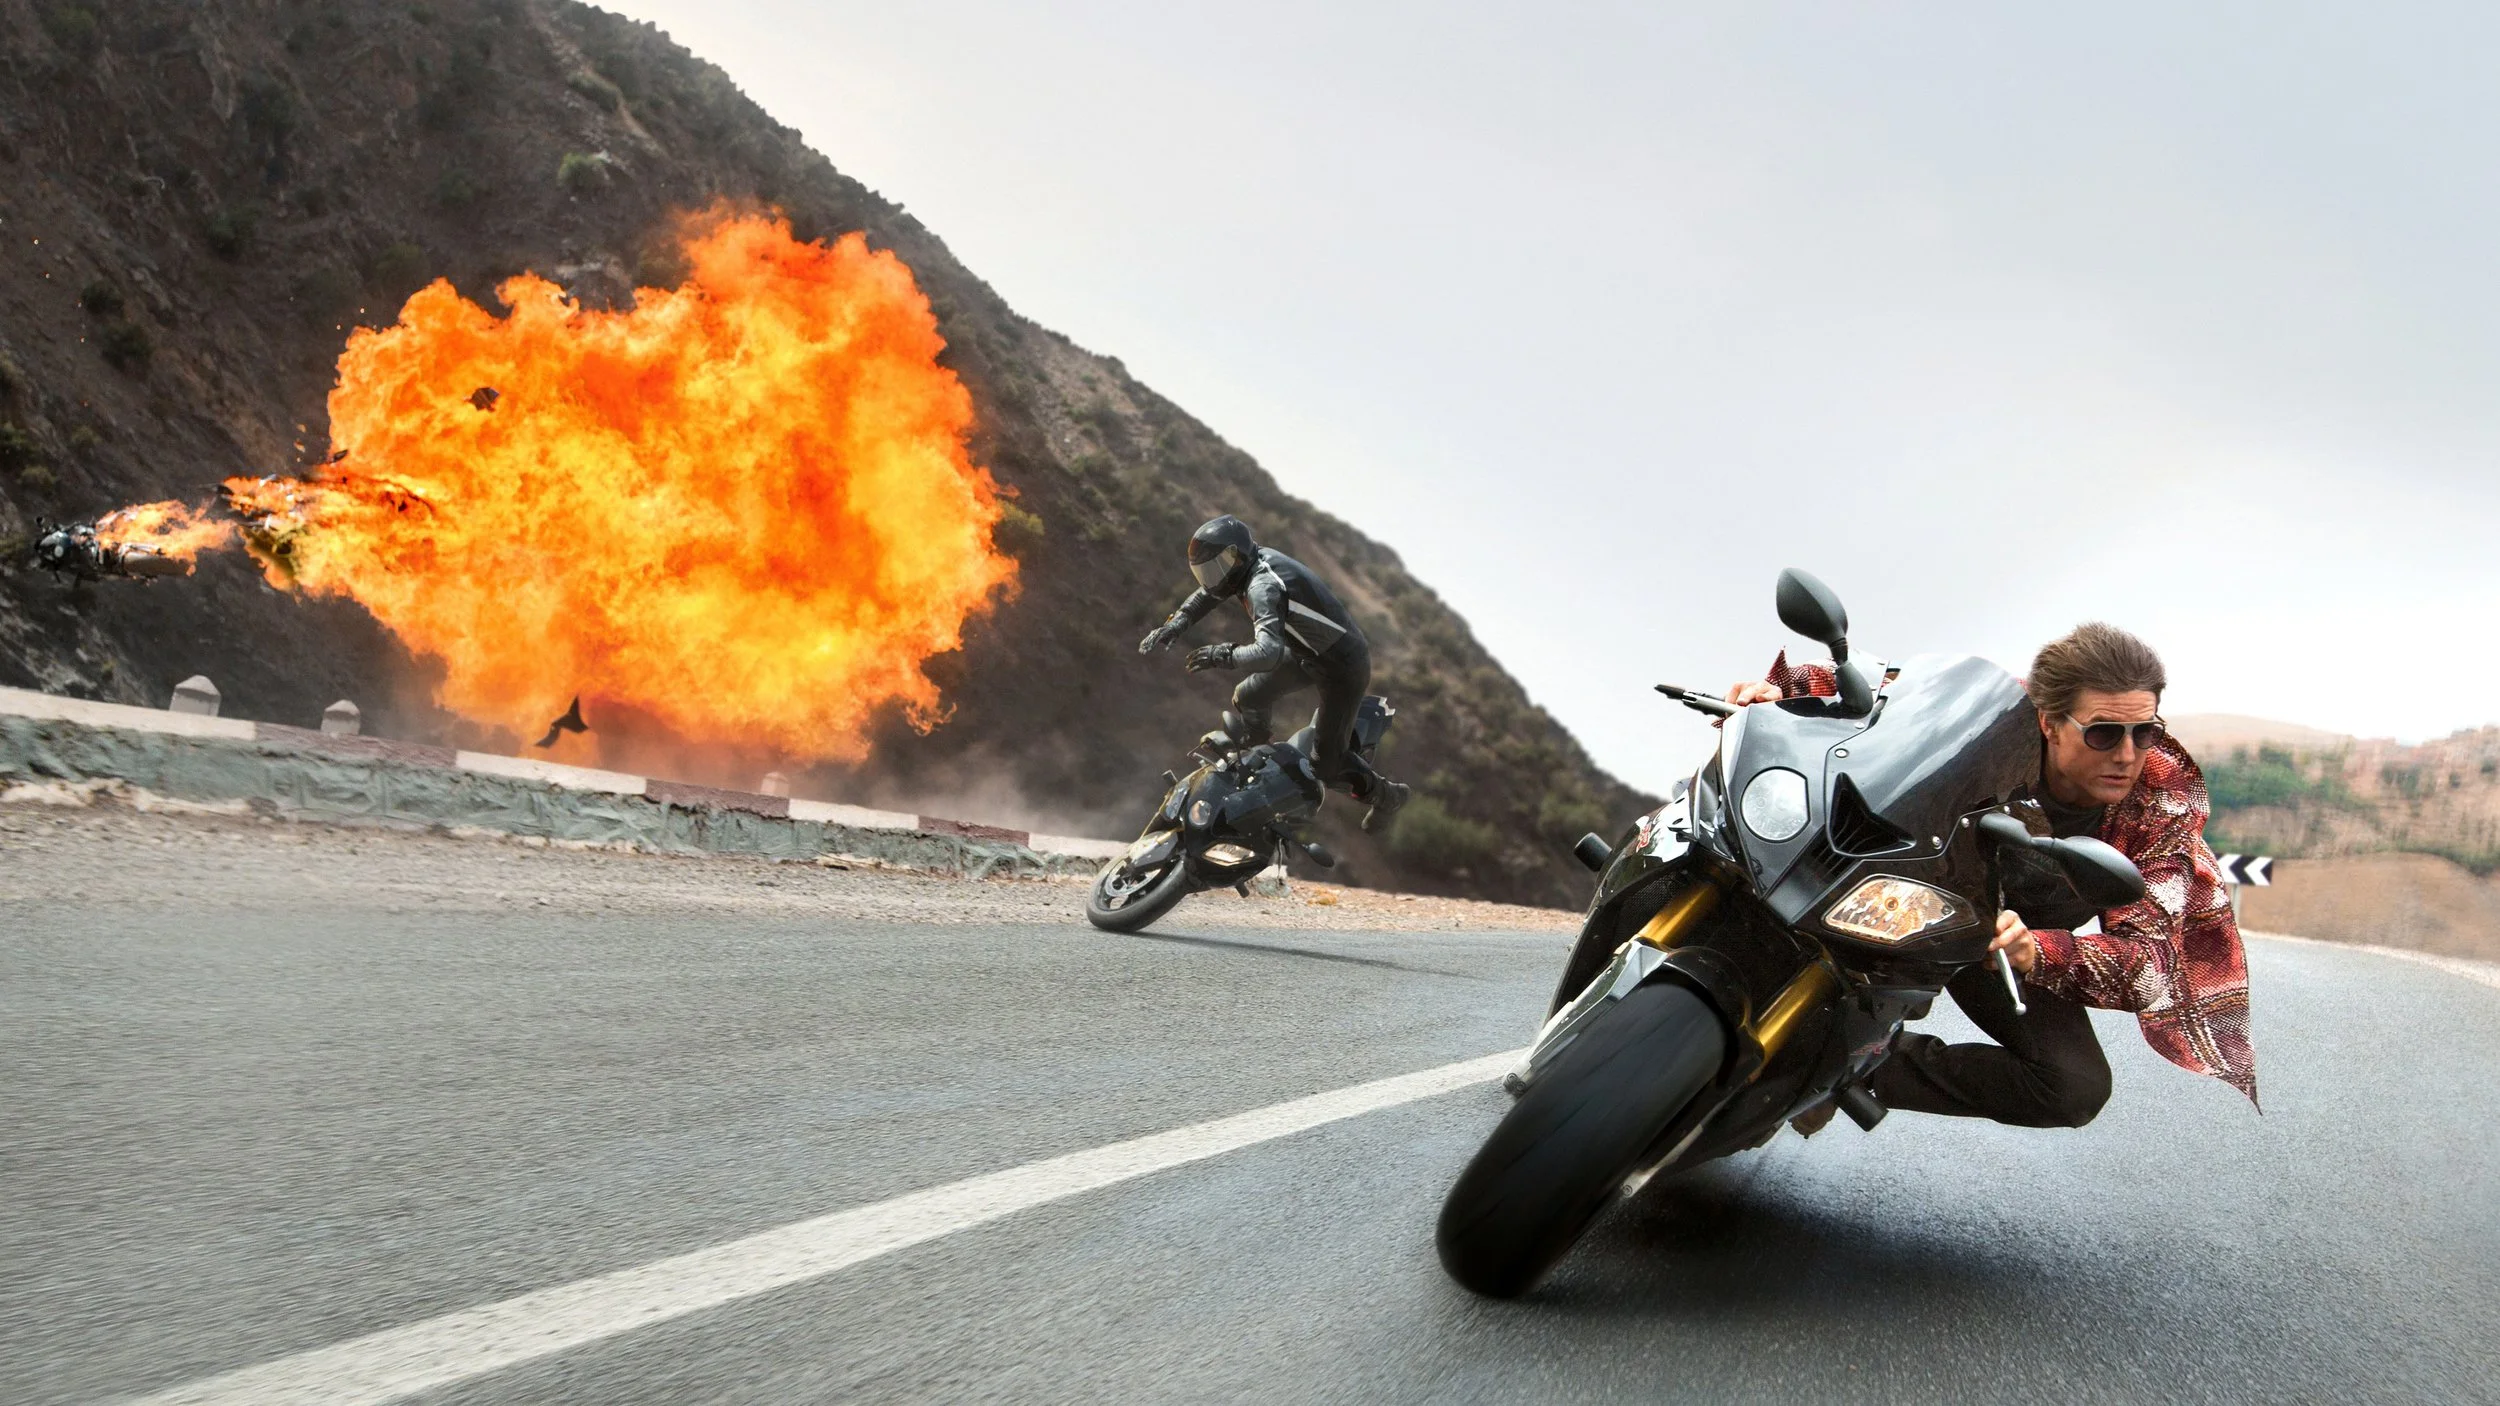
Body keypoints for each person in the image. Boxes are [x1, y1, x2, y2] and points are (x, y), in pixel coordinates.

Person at [1728, 622, 2255, 1127]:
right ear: (2049, 721)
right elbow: (1880, 689)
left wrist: (2038, 951)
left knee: (2074, 1087)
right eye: (2103, 734)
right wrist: (1775, 693)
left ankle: (1848, 1070)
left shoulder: (2161, 804)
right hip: (1905, 885)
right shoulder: (1996, 712)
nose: (2127, 754)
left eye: (2145, 732)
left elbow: (2155, 962)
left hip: (2000, 943)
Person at [1140, 515, 1412, 833]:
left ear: (1237, 556)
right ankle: (1259, 750)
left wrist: (1221, 654)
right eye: (1206, 571)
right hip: (1307, 653)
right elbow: (1208, 593)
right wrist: (1177, 623)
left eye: (1217, 568)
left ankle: (1388, 797)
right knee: (1248, 695)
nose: (1212, 579)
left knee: (1327, 764)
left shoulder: (1262, 587)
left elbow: (1266, 654)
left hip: (1342, 667)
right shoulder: (1247, 566)